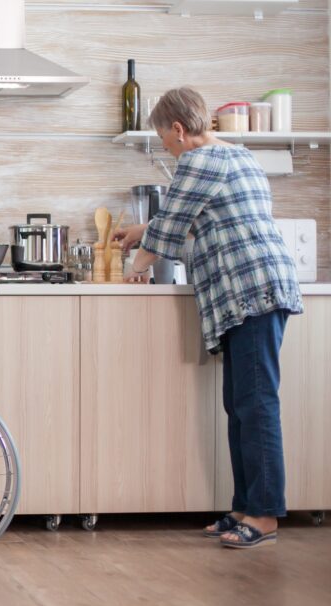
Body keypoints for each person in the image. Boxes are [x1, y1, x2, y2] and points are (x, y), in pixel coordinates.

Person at [114, 87, 303, 549]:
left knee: (255, 407)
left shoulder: (196, 163)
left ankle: (264, 515)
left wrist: (133, 270)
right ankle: (244, 507)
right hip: (253, 291)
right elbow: (201, 217)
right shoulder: (235, 156)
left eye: (164, 140)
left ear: (179, 130)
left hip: (251, 290)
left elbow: (173, 229)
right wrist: (142, 232)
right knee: (241, 407)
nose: (166, 148)